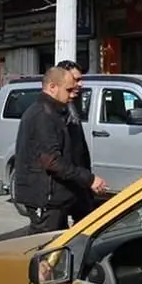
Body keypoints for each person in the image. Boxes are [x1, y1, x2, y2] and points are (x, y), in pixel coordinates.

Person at [13, 66, 107, 235]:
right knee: (45, 249)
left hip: (60, 194)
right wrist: (88, 179)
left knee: (59, 247)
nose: (72, 94)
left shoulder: (57, 112)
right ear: (52, 87)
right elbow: (52, 161)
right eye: (69, 90)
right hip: (46, 197)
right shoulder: (42, 115)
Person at [57, 59, 94, 225]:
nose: (80, 84)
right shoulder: (52, 110)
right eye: (76, 79)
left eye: (81, 79)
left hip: (78, 178)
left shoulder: (72, 105)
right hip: (63, 182)